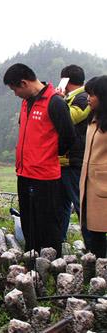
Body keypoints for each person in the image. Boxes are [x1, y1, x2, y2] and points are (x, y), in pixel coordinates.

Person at [3, 63, 75, 256]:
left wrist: (47, 154)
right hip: (24, 173)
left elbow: (69, 137)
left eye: (15, 89)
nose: (15, 93)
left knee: (48, 224)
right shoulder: (26, 102)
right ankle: (32, 260)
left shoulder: (55, 102)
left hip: (45, 176)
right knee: (29, 221)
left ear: (24, 83)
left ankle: (52, 266)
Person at [55, 65, 91, 242]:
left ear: (66, 81)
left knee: (80, 205)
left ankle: (93, 246)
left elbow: (70, 117)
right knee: (61, 206)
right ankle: (58, 244)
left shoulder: (83, 98)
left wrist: (58, 101)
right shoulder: (70, 98)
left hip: (74, 161)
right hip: (63, 161)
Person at [80, 76, 107, 258]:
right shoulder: (93, 119)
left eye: (92, 94)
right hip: (89, 185)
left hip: (103, 183)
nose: (88, 98)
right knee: (93, 231)